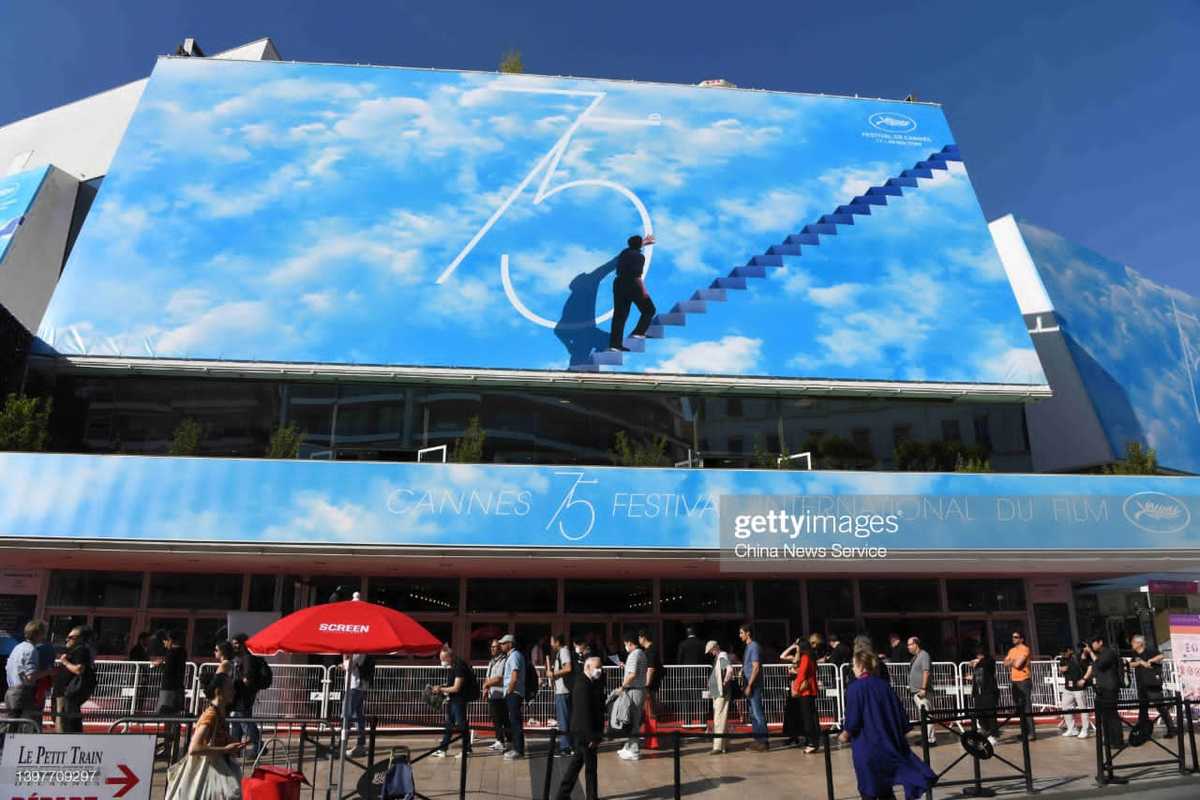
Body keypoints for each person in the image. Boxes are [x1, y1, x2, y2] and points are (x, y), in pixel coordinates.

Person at [839, 650, 937, 800]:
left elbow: (853, 718)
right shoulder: (884, 686)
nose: (852, 668)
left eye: (854, 665)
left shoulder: (855, 688)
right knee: (885, 787)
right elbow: (899, 713)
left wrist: (845, 734)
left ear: (861, 666)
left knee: (868, 787)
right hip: (887, 743)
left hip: (866, 745)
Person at [164, 681, 246, 800]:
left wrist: (229, 743)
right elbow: (194, 749)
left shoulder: (218, 714)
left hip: (215, 773)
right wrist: (225, 749)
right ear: (218, 692)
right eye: (230, 688)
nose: (234, 692)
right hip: (210, 772)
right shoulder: (211, 715)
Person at [555, 656, 606, 800]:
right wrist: (591, 737)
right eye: (597, 667)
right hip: (585, 733)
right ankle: (590, 796)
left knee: (577, 763)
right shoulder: (583, 684)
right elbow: (584, 712)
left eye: (600, 667)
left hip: (585, 732)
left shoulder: (591, 682)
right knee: (590, 767)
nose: (599, 670)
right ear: (588, 667)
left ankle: (563, 794)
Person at [608, 234, 657, 352]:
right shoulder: (640, 257)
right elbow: (637, 276)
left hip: (619, 283)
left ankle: (614, 345)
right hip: (633, 284)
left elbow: (633, 247)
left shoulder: (624, 253)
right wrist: (644, 291)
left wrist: (643, 242)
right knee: (649, 309)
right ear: (639, 245)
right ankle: (638, 332)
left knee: (619, 316)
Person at [5, 620, 53, 725]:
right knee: (26, 725)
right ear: (38, 634)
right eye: (44, 632)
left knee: (11, 725)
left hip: (10, 691)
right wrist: (48, 672)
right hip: (22, 694)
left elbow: (8, 668)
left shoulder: (18, 647)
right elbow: (30, 676)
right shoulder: (31, 650)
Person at [1130, 634, 1177, 739]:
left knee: (1160, 707)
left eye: (1133, 642)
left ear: (1139, 643)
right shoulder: (1135, 654)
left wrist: (1151, 660)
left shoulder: (1150, 651)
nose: (1131, 644)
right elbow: (1131, 664)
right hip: (1141, 685)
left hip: (1152, 685)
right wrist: (1140, 662)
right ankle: (1144, 731)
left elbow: (1161, 656)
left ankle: (1171, 729)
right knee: (1143, 709)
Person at [432, 643, 473, 758]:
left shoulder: (459, 666)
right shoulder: (454, 666)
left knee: (461, 725)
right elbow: (452, 683)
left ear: (449, 657)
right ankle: (443, 749)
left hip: (459, 700)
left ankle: (467, 749)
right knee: (449, 724)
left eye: (443, 659)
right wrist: (442, 686)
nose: (442, 662)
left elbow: (456, 688)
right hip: (453, 700)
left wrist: (440, 689)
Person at [1083, 634, 1123, 747]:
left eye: (1093, 643)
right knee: (1104, 716)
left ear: (1100, 642)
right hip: (1100, 688)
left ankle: (1117, 741)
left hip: (1109, 687)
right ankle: (1108, 739)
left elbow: (1100, 664)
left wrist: (1091, 653)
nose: (1092, 646)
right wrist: (1085, 655)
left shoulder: (1109, 652)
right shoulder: (1098, 654)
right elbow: (1090, 666)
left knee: (1112, 715)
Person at [52, 625, 95, 733]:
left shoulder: (81, 650)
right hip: (64, 692)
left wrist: (65, 662)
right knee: (62, 719)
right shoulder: (75, 650)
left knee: (63, 721)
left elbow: (79, 669)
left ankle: (67, 741)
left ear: (80, 638)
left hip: (67, 693)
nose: (67, 639)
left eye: (71, 637)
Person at [153, 629, 188, 757]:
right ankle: (174, 747)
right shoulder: (183, 652)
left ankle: (167, 747)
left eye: (165, 641)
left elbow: (169, 671)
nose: (164, 644)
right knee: (175, 718)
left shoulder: (172, 652)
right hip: (178, 688)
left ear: (170, 640)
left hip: (168, 689)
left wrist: (160, 665)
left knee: (167, 718)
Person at [782, 639, 820, 752]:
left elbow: (802, 674)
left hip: (805, 691)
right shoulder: (812, 657)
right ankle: (814, 740)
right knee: (812, 717)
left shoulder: (805, 657)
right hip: (811, 689)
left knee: (807, 718)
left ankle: (811, 743)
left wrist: (795, 688)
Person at [230, 633, 265, 754]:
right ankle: (235, 748)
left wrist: (235, 684)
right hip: (239, 694)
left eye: (236, 643)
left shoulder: (247, 658)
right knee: (236, 721)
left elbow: (247, 678)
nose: (234, 646)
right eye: (233, 644)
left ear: (243, 644)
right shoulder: (238, 658)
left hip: (244, 695)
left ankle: (259, 745)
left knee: (245, 721)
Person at [616, 630, 647, 761]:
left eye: (625, 644)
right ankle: (629, 746)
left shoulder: (634, 654)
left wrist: (622, 686)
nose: (625, 646)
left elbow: (632, 674)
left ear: (629, 643)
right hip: (638, 689)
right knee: (632, 719)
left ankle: (634, 750)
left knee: (633, 721)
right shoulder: (640, 653)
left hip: (634, 690)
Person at [741, 623, 768, 751]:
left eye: (741, 633)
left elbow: (756, 667)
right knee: (753, 713)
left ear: (748, 633)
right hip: (750, 683)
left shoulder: (754, 647)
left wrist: (750, 685)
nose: (740, 635)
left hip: (754, 685)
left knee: (757, 712)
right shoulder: (748, 647)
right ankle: (758, 740)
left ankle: (763, 741)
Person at [1004, 630, 1035, 740]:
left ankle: (1031, 733)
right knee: (1019, 707)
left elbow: (1017, 665)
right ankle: (1024, 732)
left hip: (1023, 680)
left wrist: (1011, 661)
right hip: (1014, 681)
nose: (1013, 639)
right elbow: (1005, 663)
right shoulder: (1011, 650)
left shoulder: (1025, 649)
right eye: (1013, 637)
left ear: (1021, 639)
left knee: (1026, 707)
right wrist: (1013, 661)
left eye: (1016, 637)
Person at [967, 644, 1000, 745]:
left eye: (979, 654)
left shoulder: (989, 661)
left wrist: (977, 662)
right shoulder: (978, 664)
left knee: (990, 715)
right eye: (977, 655)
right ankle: (986, 734)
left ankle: (993, 735)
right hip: (978, 693)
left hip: (988, 692)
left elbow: (986, 665)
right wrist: (971, 677)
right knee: (980, 715)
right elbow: (978, 673)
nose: (978, 656)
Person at [500, 634, 526, 760]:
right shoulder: (512, 656)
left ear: (510, 644)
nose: (501, 645)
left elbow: (514, 676)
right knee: (514, 721)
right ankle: (516, 748)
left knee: (515, 722)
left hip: (514, 693)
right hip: (513, 692)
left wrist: (509, 691)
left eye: (503, 643)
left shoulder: (515, 656)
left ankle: (518, 750)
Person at [547, 632, 574, 756]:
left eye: (552, 641)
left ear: (557, 642)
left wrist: (553, 674)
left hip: (563, 691)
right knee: (565, 719)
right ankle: (568, 745)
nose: (551, 644)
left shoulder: (563, 651)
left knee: (563, 720)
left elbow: (568, 668)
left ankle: (565, 747)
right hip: (561, 690)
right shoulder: (561, 652)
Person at [706, 640, 734, 755]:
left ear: (715, 647)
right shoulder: (719, 657)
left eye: (711, 650)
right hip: (718, 693)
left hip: (721, 693)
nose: (710, 653)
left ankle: (718, 746)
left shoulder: (721, 656)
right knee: (722, 719)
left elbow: (729, 669)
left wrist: (725, 682)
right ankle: (725, 745)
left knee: (718, 719)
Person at [906, 637, 935, 746]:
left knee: (926, 714)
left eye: (910, 644)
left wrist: (923, 688)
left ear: (916, 644)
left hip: (922, 691)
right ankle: (926, 737)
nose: (908, 647)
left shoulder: (924, 655)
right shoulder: (916, 657)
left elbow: (926, 671)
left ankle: (930, 739)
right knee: (923, 715)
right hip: (917, 691)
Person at [482, 639, 510, 752]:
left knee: (502, 719)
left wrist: (487, 684)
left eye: (495, 647)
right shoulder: (492, 661)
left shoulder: (504, 660)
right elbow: (488, 677)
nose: (493, 649)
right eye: (492, 647)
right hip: (492, 694)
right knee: (496, 719)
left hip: (500, 694)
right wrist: (486, 688)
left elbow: (499, 678)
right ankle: (502, 740)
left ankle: (504, 741)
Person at [1058, 645, 1091, 738]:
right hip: (1068, 687)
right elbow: (1061, 669)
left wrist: (1084, 679)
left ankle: (1085, 730)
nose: (1063, 655)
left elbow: (1088, 666)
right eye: (1061, 653)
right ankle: (1072, 729)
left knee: (1083, 708)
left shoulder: (1078, 656)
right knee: (1065, 707)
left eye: (1064, 652)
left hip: (1079, 687)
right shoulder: (1062, 659)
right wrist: (1061, 669)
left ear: (1069, 650)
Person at [637, 629, 662, 750]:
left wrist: (646, 685)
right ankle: (649, 741)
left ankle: (652, 742)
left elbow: (651, 669)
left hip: (649, 687)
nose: (638, 640)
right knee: (648, 714)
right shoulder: (650, 650)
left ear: (643, 637)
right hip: (650, 687)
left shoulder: (651, 651)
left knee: (650, 713)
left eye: (639, 637)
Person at [342, 653, 370, 757]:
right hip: (360, 686)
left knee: (346, 714)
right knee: (358, 716)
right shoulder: (362, 651)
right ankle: (360, 744)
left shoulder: (358, 652)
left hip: (354, 686)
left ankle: (342, 744)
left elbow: (348, 666)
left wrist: (344, 657)